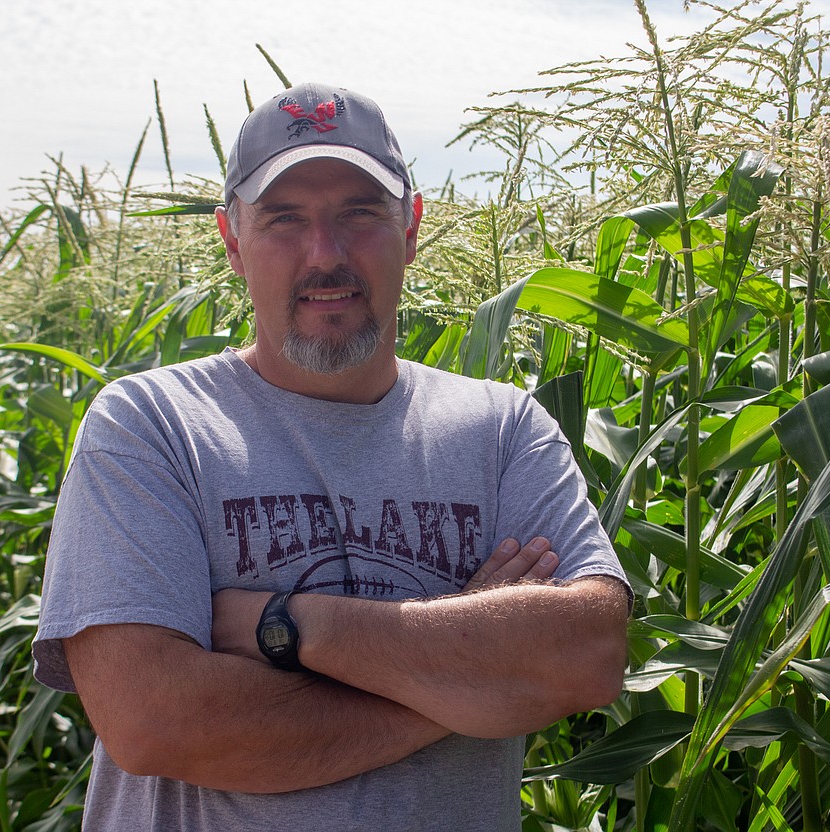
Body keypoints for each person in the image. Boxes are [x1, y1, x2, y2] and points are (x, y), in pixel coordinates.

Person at [32, 81, 631, 831]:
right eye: (285, 219)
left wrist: (285, 625)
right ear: (231, 241)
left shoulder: (503, 430)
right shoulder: (154, 427)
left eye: (360, 213)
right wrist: (472, 681)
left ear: (410, 228)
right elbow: (155, 722)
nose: (326, 255)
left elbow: (587, 654)